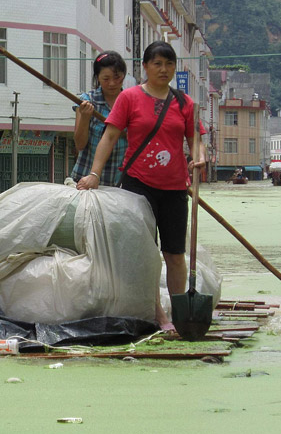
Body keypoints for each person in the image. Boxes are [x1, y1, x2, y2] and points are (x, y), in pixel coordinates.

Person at [76, 41, 206, 331]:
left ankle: (179, 312)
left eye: (169, 64)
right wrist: (95, 174)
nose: (163, 69)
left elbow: (195, 139)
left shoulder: (184, 103)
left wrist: (199, 156)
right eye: (157, 63)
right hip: (138, 185)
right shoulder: (130, 97)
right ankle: (158, 314)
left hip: (175, 187)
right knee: (146, 254)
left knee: (175, 254)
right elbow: (110, 136)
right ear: (145, 67)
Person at [70, 51, 129, 186]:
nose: (112, 83)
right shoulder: (87, 101)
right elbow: (79, 145)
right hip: (84, 181)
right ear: (97, 78)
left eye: (117, 77)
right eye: (106, 79)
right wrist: (85, 118)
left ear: (124, 76)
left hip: (119, 184)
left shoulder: (131, 102)